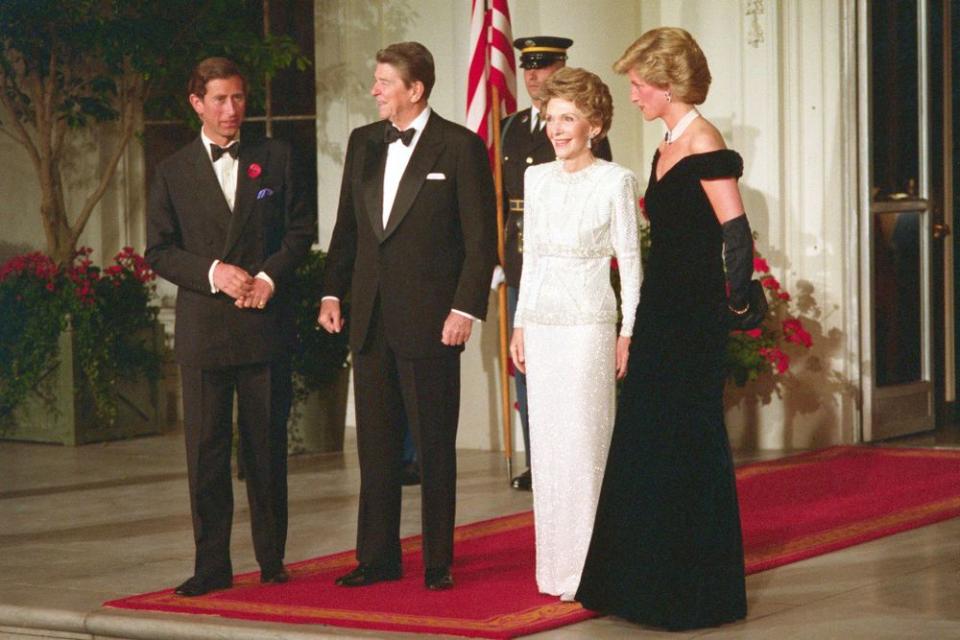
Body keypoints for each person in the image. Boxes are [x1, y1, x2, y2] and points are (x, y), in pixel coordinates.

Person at [576, 27, 755, 630]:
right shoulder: (667, 144)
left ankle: (692, 592)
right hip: (661, 310)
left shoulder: (703, 140)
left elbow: (734, 231)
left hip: (695, 317)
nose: (632, 96)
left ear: (668, 85)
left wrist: (737, 301)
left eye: (637, 85)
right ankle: (638, 583)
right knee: (648, 437)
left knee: (687, 441)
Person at [318, 41, 497, 591]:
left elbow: (481, 241)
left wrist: (466, 307)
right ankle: (377, 557)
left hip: (432, 320)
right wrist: (331, 294)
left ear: (414, 90)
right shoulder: (364, 142)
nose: (374, 91)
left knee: (435, 445)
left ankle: (437, 560)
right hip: (368, 318)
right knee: (375, 448)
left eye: (383, 82)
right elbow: (348, 228)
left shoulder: (460, 147)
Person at [145, 57, 315, 597]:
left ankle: (271, 560)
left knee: (266, 453)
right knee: (207, 457)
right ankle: (211, 565)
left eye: (239, 98)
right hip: (203, 333)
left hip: (263, 327)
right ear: (197, 103)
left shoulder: (278, 157)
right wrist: (214, 272)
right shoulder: (172, 170)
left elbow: (299, 231)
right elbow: (159, 251)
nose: (231, 109)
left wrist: (267, 277)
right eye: (219, 99)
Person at [508, 67, 641, 602]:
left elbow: (630, 266)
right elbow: (531, 256)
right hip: (541, 326)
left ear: (595, 124)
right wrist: (519, 323)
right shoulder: (535, 178)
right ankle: (557, 570)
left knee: (587, 447)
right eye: (551, 118)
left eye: (568, 119)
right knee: (548, 449)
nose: (556, 129)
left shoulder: (616, 181)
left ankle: (596, 570)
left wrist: (629, 330)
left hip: (589, 326)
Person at [497, 36, 613, 491]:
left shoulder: (580, 128)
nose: (532, 75)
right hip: (522, 253)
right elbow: (502, 200)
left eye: (542, 67)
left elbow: (594, 192)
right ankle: (537, 455)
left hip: (569, 256)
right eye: (527, 67)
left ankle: (577, 457)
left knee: (573, 372)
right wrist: (496, 256)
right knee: (526, 363)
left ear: (561, 68)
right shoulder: (508, 126)